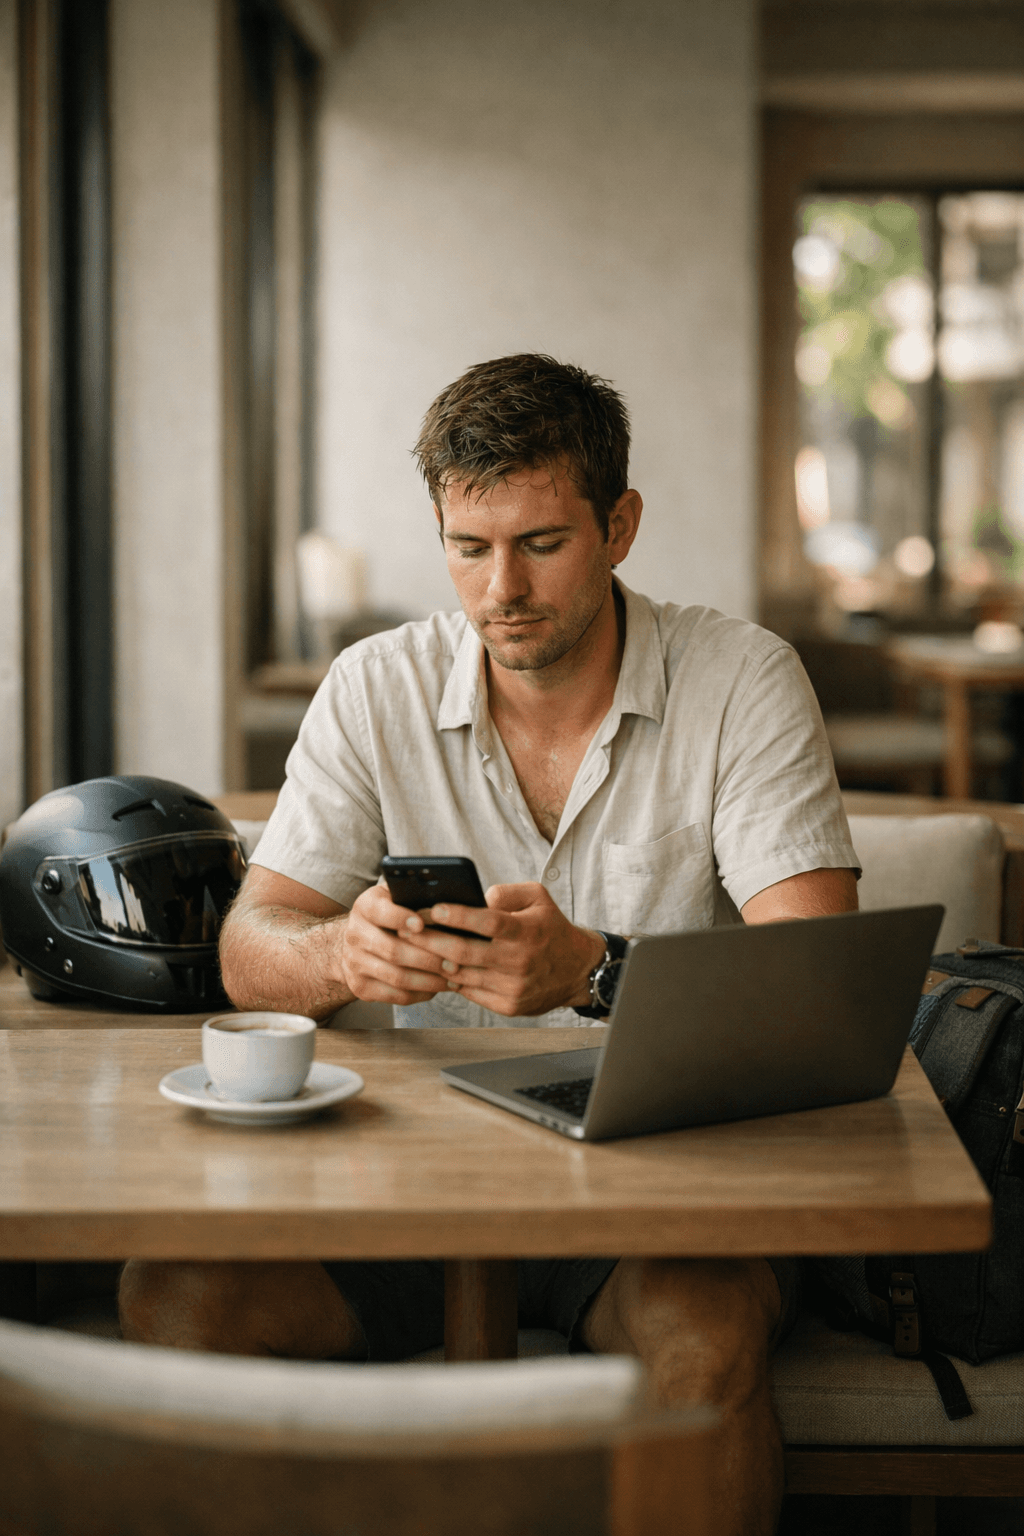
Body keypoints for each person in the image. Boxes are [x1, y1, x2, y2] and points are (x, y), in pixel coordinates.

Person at [119, 354, 859, 1536]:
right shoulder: (374, 686)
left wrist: (596, 971)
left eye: (541, 543)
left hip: (660, 1191)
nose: (500, 588)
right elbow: (252, 947)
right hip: (399, 1184)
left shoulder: (742, 680)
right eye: (469, 547)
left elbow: (817, 991)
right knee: (176, 1296)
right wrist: (340, 960)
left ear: (619, 526)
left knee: (704, 1338)